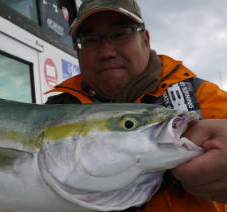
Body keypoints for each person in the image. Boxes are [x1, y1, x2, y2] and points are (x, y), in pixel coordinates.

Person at [45, 0, 227, 211]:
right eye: (90, 39)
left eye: (120, 34)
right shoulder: (54, 111)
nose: (106, 52)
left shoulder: (202, 97)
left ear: (145, 39)